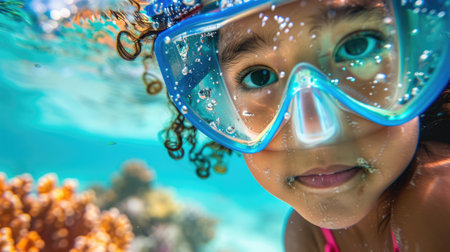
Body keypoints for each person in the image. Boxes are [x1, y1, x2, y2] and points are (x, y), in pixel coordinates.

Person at [116, 0, 450, 251]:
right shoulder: (304, 232)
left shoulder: (437, 200)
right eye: (258, 76)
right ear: (219, 106)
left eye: (356, 47)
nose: (315, 131)